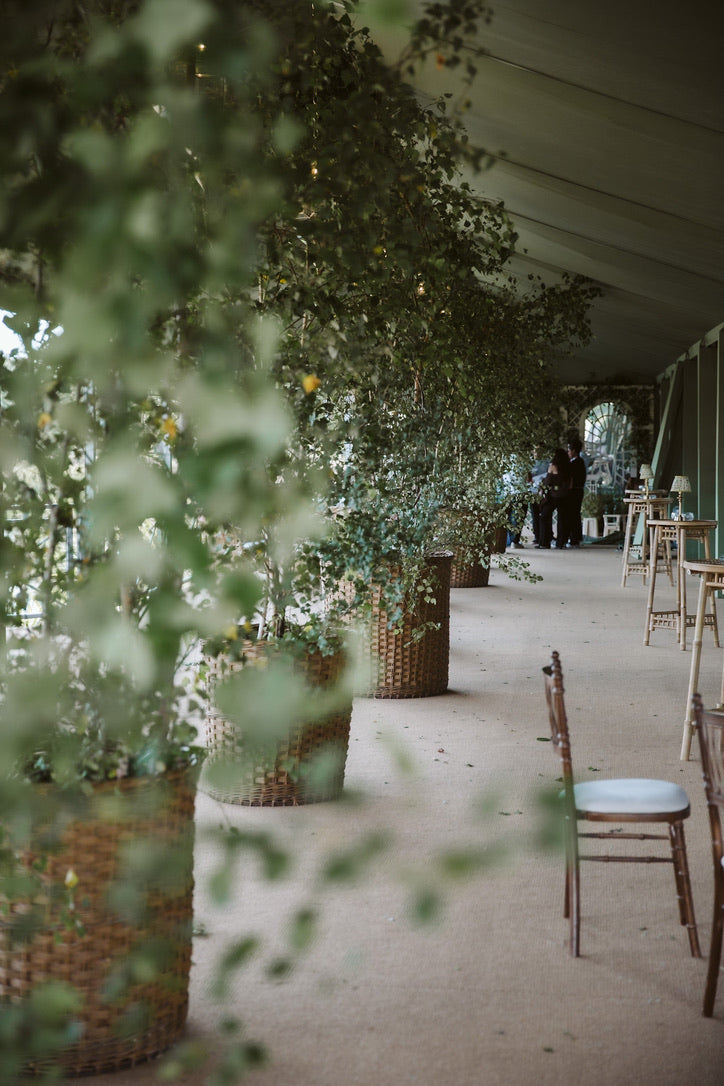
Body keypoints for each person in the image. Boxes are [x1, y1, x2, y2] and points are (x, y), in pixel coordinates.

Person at [536, 448, 571, 549]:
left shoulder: (552, 467)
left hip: (552, 496)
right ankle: (561, 542)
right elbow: (570, 484)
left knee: (544, 518)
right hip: (565, 496)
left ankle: (544, 542)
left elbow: (547, 482)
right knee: (562, 519)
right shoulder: (568, 468)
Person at [559, 436, 587, 548]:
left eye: (569, 450)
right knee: (575, 514)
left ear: (574, 451)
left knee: (572, 515)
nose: (568, 452)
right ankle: (575, 538)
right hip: (577, 491)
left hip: (574, 492)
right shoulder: (580, 462)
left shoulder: (575, 463)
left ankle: (574, 538)